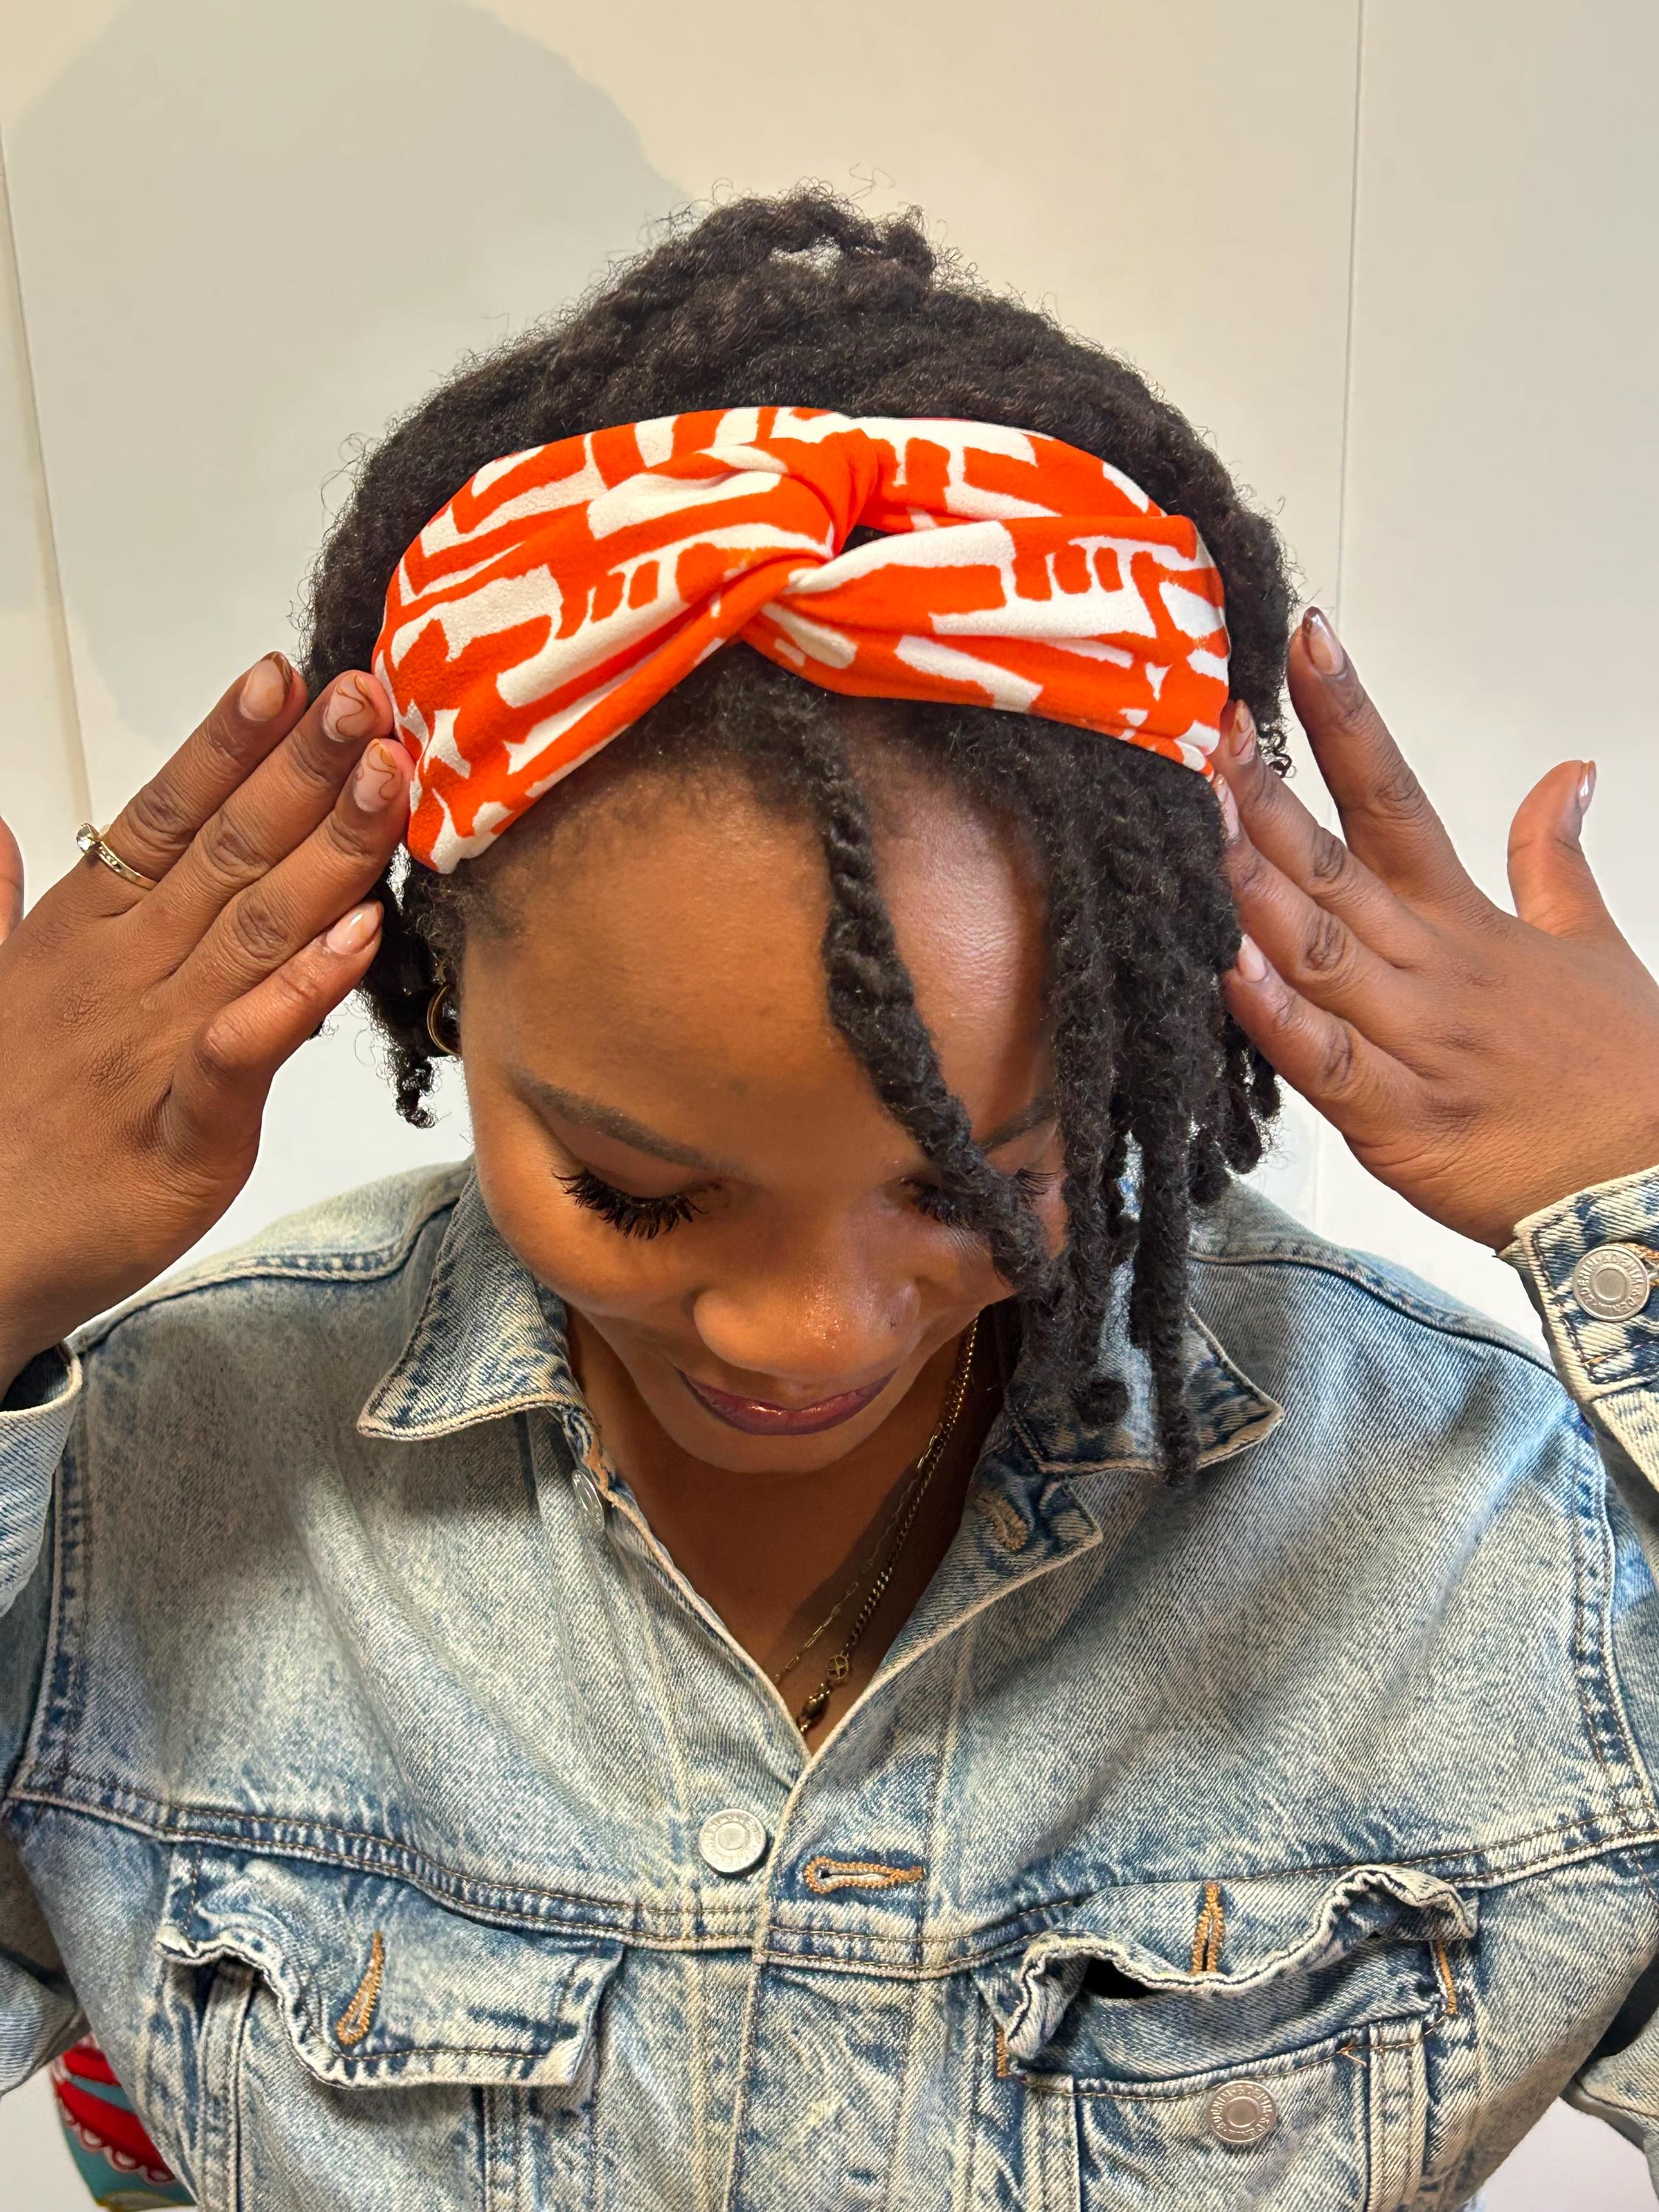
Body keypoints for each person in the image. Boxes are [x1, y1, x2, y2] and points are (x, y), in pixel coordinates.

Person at [2, 190, 1658, 2212]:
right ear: (430, 974)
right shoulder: (147, 1490)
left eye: (988, 1185)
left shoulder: (1475, 1536)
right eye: (638, 1192)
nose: (805, 1332)